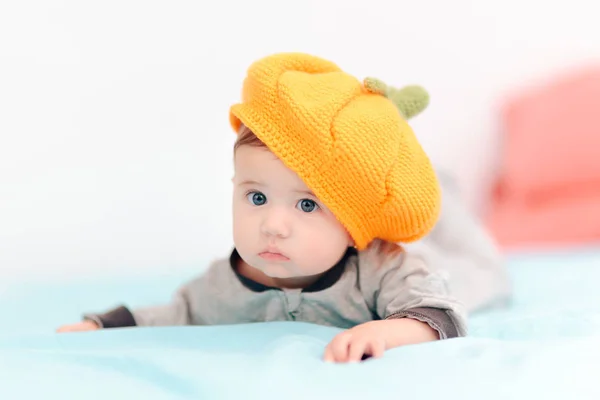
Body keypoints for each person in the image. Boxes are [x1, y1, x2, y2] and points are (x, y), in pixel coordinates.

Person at [57, 52, 468, 363]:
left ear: (352, 225)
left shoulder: (383, 270)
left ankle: (451, 195)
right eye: (257, 197)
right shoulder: (226, 283)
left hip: (443, 264)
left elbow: (439, 316)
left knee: (474, 265)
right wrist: (104, 324)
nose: (273, 225)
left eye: (308, 204)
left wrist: (386, 331)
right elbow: (177, 313)